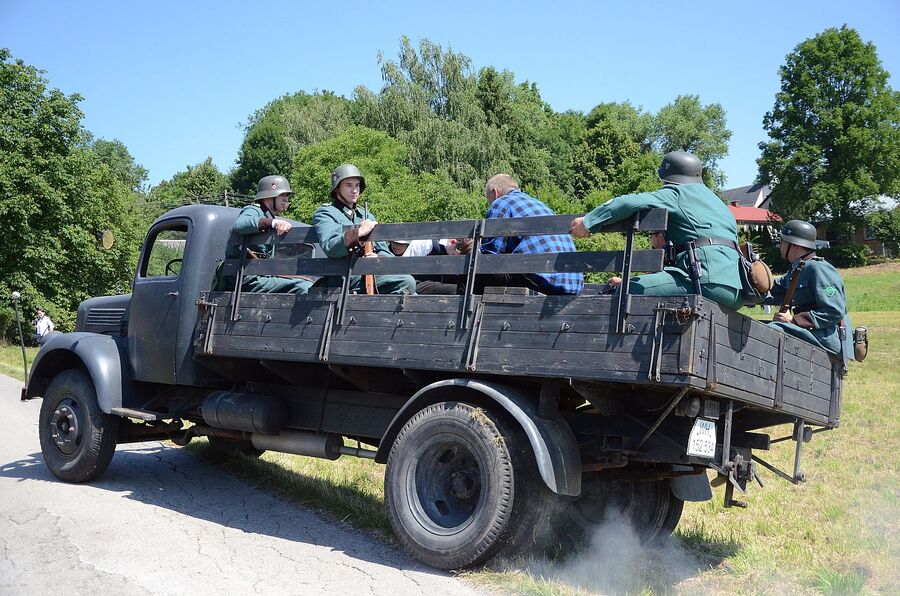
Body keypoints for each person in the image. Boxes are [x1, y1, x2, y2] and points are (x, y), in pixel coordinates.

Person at [570, 151, 744, 310]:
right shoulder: (719, 204)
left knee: (625, 290)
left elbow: (628, 202)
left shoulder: (677, 193)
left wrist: (589, 221)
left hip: (703, 282)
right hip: (737, 289)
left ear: (667, 178)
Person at [312, 164, 416, 295]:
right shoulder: (326, 213)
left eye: (357, 185)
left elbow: (385, 251)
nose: (354, 190)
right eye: (349, 185)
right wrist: (360, 232)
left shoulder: (366, 215)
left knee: (414, 294)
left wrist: (378, 257)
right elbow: (330, 245)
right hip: (344, 275)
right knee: (406, 282)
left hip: (369, 271)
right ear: (337, 188)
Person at [478, 174, 583, 295]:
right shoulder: (540, 205)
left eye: (489, 201)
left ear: (494, 192)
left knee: (470, 274)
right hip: (573, 283)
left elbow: (490, 254)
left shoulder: (500, 203)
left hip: (543, 278)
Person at [764, 219, 852, 358]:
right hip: (811, 333)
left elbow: (834, 311)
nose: (780, 246)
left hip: (824, 338)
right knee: (761, 326)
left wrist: (794, 321)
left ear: (795, 246)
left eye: (783, 242)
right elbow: (775, 285)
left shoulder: (818, 268)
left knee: (769, 332)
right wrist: (754, 276)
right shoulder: (798, 268)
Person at [221, 175, 314, 294]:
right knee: (303, 287)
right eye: (282, 195)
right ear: (269, 196)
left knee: (309, 284)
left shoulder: (268, 215)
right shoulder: (254, 210)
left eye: (286, 196)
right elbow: (240, 224)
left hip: (260, 275)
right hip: (246, 278)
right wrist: (273, 223)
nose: (286, 200)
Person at [388, 238, 461, 295]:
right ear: (453, 242)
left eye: (400, 244)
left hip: (432, 283)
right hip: (416, 283)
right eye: (454, 255)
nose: (396, 246)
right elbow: (402, 268)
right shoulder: (427, 244)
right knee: (455, 289)